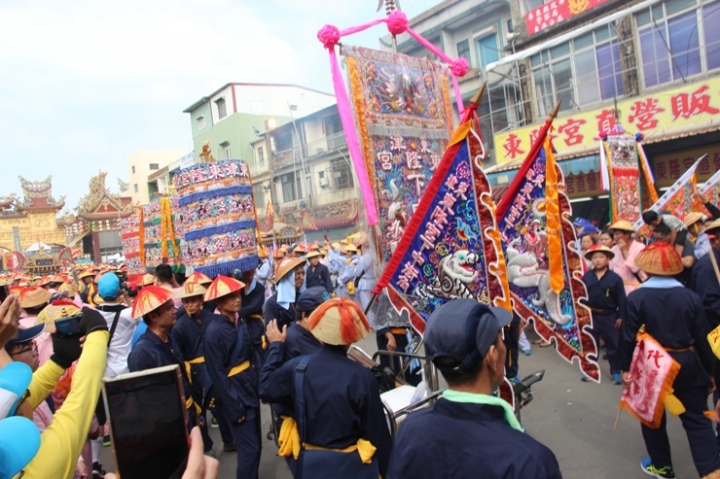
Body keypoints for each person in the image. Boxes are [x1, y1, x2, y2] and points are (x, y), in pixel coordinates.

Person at [387, 299, 562, 479]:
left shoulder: (410, 429)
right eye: (500, 339)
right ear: (492, 356)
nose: (505, 346)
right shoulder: (531, 461)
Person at [618, 242, 720, 479]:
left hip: (651, 365)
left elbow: (626, 338)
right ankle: (713, 472)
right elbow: (704, 340)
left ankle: (662, 466)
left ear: (647, 269)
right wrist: (710, 372)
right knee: (697, 419)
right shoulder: (691, 297)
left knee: (652, 418)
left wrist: (624, 368)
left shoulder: (637, 298)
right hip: (686, 362)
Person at [259, 298, 392, 479]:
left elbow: (266, 387)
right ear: (349, 338)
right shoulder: (362, 377)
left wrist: (275, 346)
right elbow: (378, 434)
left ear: (319, 334)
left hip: (310, 465)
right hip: (352, 466)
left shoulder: (297, 367)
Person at [203, 276, 261, 479]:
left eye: (237, 294)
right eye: (230, 297)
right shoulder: (213, 332)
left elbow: (252, 353)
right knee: (249, 449)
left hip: (249, 386)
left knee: (256, 445)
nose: (237, 299)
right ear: (219, 303)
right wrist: (233, 406)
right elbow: (217, 374)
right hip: (235, 393)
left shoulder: (239, 321)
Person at [127, 286, 196, 432]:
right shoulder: (140, 354)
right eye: (169, 308)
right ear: (153, 317)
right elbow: (144, 399)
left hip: (187, 412)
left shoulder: (171, 337)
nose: (175, 311)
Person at [173, 281, 221, 453]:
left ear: (201, 300)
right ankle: (206, 446)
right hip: (194, 370)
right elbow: (179, 354)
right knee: (198, 409)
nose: (190, 304)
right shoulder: (179, 327)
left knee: (221, 404)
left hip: (214, 365)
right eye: (186, 301)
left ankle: (230, 438)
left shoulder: (212, 319)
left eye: (193, 300)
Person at [580, 244, 626, 385]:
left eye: (601, 257)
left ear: (607, 259)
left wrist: (620, 316)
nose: (597, 260)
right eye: (594, 257)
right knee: (590, 344)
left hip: (609, 315)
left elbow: (622, 299)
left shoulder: (615, 278)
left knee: (613, 344)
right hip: (591, 314)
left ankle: (616, 371)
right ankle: (590, 370)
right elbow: (580, 296)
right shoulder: (586, 277)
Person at [237, 267, 267, 369]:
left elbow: (255, 306)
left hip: (255, 325)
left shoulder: (259, 288)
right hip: (241, 324)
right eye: (247, 269)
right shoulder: (238, 286)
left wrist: (237, 313)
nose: (250, 272)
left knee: (258, 355)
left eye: (252, 269)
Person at [264, 258, 306, 331]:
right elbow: (271, 334)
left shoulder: (302, 297)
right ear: (288, 276)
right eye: (298, 274)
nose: (302, 278)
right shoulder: (273, 303)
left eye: (303, 273)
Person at [608, 220, 647, 295]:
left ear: (627, 235)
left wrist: (625, 250)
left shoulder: (640, 248)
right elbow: (611, 269)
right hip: (618, 289)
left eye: (618, 234)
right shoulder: (614, 249)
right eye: (614, 234)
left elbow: (635, 269)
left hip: (636, 288)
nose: (615, 237)